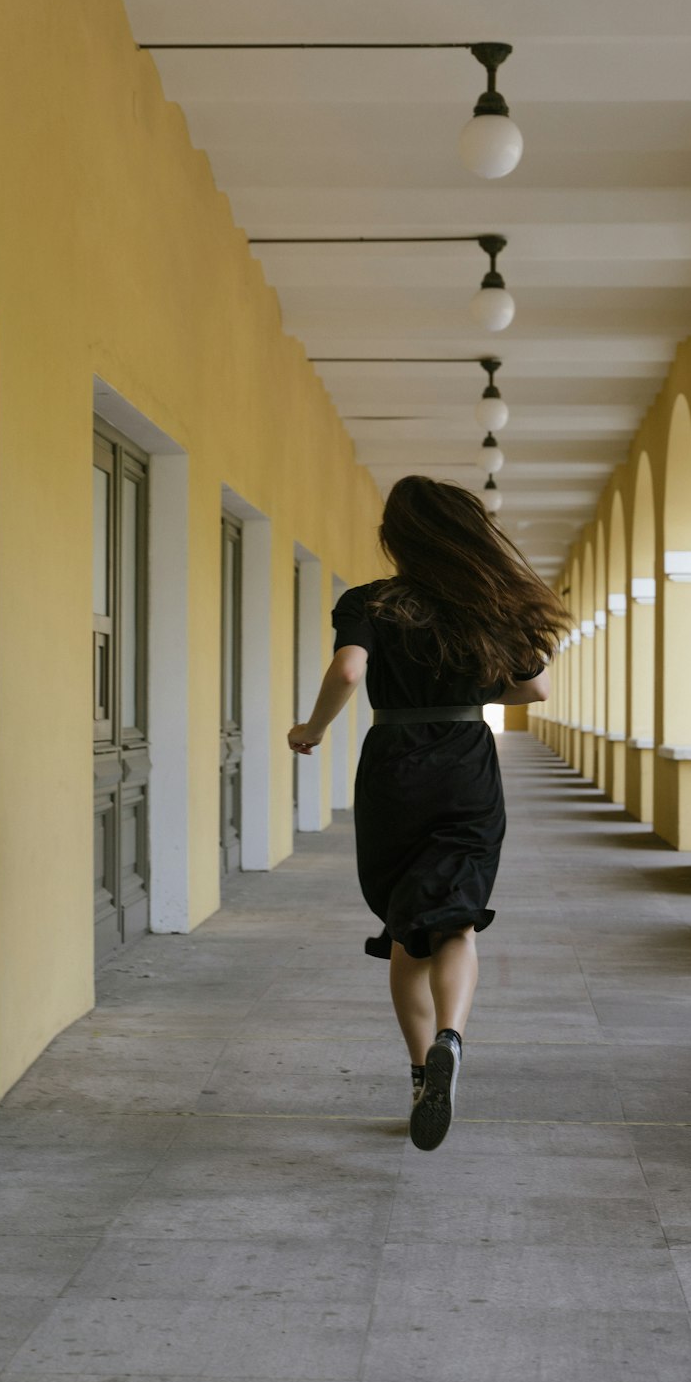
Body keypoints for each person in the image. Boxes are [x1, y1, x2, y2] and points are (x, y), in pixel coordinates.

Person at [287, 476, 571, 1151]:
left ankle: (421, 1075)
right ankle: (452, 1037)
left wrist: (314, 728)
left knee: (405, 923)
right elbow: (533, 685)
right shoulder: (483, 603)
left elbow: (350, 673)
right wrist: (469, 681)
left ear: (395, 536)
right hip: (466, 760)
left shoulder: (369, 602)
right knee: (457, 913)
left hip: (393, 761)